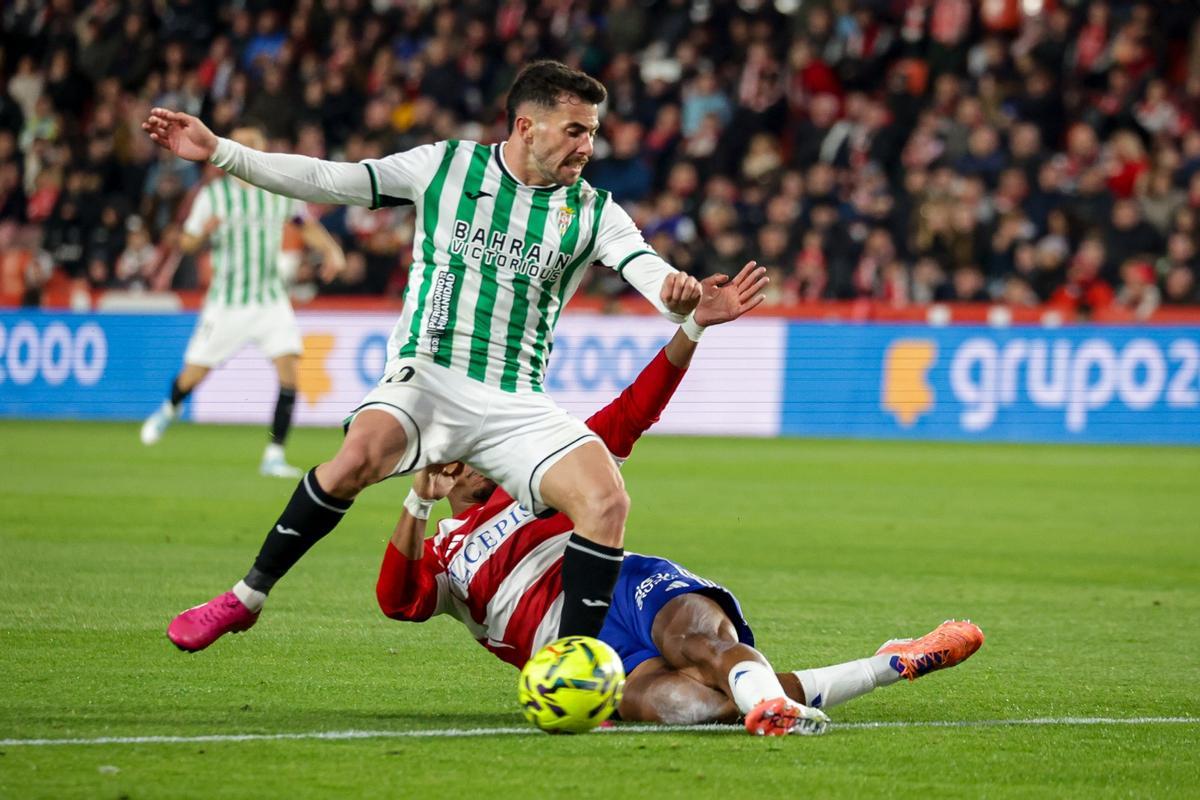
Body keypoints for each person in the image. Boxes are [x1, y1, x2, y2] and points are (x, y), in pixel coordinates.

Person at [145, 61, 712, 651]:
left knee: (606, 499)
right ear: (526, 127)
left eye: (592, 132)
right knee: (356, 458)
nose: (587, 147)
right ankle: (246, 598)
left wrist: (677, 295)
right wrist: (221, 152)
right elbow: (330, 179)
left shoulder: (593, 211)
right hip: (430, 375)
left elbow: (646, 267)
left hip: (517, 397)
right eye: (574, 130)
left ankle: (572, 664)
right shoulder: (446, 167)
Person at [372, 265, 984, 736]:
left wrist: (691, 328)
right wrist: (416, 503)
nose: (461, 457)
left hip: (621, 586)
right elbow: (399, 604)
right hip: (582, 659)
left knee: (704, 648)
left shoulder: (540, 469)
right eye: (447, 450)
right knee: (693, 709)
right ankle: (891, 665)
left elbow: (632, 412)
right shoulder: (444, 557)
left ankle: (771, 703)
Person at [140, 124, 347, 478]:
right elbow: (186, 243)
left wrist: (331, 250)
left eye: (255, 143)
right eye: (243, 143)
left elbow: (304, 225)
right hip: (227, 303)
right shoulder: (213, 196)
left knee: (291, 375)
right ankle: (168, 408)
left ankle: (274, 455)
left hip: (269, 300)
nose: (250, 148)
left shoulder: (280, 191)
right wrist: (203, 234)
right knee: (192, 377)